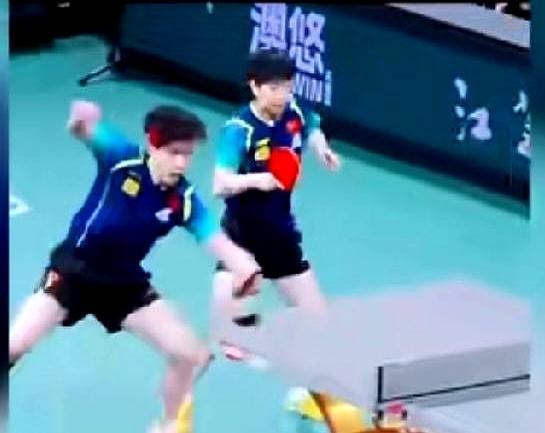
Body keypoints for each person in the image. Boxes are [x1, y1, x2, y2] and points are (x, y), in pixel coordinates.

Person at [9, 100, 262, 433]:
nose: (182, 163)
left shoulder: (182, 199)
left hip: (123, 282)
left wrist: (243, 265)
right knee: (14, 345)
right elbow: (85, 129)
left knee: (192, 356)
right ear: (152, 145)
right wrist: (81, 121)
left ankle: (166, 427)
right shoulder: (121, 158)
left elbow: (214, 238)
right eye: (174, 152)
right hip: (75, 270)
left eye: (188, 155)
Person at [210, 48, 341, 353]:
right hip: (241, 234)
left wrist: (321, 149)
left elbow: (312, 127)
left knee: (318, 322)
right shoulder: (239, 130)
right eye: (273, 88)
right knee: (228, 328)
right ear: (254, 86)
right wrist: (258, 180)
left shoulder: (294, 112)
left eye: (287, 87)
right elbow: (220, 184)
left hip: (279, 233)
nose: (282, 95)